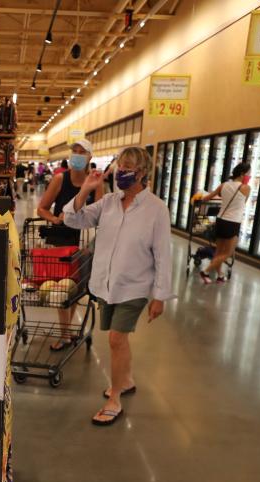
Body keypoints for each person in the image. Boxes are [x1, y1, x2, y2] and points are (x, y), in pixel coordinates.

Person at [63, 146, 173, 426]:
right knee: (118, 340)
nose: (122, 173)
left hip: (134, 286)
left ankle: (115, 401)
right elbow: (73, 219)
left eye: (129, 169)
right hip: (106, 284)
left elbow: (162, 254)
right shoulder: (109, 202)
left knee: (115, 339)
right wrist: (86, 189)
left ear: (143, 173)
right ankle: (126, 380)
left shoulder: (156, 209)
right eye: (120, 167)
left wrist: (159, 296)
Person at [37, 139, 104, 351]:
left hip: (84, 240)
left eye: (81, 151)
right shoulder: (60, 179)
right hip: (60, 240)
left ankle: (65, 332)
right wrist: (54, 219)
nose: (76, 154)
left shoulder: (96, 182)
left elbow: (100, 211)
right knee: (61, 287)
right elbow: (42, 208)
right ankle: (65, 333)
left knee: (75, 287)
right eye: (74, 151)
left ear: (89, 157)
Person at [200, 162, 251, 284]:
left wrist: (199, 199)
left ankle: (220, 275)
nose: (249, 176)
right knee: (227, 253)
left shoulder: (224, 185)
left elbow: (207, 197)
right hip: (233, 222)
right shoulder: (245, 188)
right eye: (248, 173)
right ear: (242, 174)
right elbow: (243, 203)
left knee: (219, 251)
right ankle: (205, 270)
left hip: (220, 220)